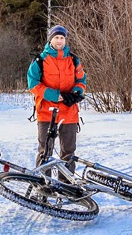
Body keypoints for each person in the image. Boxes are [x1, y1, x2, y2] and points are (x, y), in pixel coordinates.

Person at [27, 25, 87, 172]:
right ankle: (43, 186)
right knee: (45, 152)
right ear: (50, 39)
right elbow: (33, 84)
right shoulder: (40, 61)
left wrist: (75, 93)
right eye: (56, 38)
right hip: (47, 112)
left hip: (69, 112)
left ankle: (66, 186)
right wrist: (55, 95)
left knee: (68, 153)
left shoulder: (73, 60)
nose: (59, 41)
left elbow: (81, 80)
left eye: (62, 38)